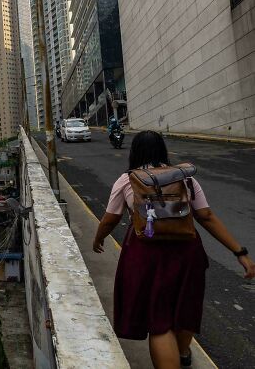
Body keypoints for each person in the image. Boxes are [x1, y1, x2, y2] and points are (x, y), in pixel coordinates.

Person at [92, 130, 254, 369]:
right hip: (187, 252)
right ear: (163, 150)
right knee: (186, 305)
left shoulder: (128, 179)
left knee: (159, 323)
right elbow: (206, 216)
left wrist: (99, 238)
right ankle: (182, 351)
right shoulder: (186, 178)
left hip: (145, 254)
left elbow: (110, 219)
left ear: (134, 152)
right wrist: (239, 252)